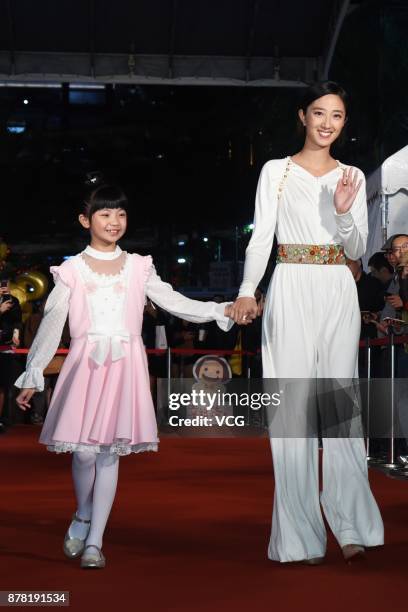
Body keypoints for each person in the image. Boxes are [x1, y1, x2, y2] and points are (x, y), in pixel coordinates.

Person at [15, 178, 237, 569]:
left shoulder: (138, 266)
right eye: (104, 214)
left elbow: (173, 301)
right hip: (86, 364)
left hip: (125, 365)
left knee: (108, 453)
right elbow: (52, 323)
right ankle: (82, 514)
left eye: (120, 213)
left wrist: (220, 310)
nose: (114, 221)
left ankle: (95, 542)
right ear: (85, 220)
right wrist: (33, 371)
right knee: (83, 452)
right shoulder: (72, 270)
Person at [229, 81, 384, 564]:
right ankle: (298, 536)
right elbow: (261, 239)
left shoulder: (353, 176)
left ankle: (352, 525)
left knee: (341, 405)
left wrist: (341, 213)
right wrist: (246, 291)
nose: (327, 123)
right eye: (319, 113)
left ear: (343, 123)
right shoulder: (276, 171)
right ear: (303, 116)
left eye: (336, 116)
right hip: (289, 284)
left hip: (337, 288)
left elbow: (358, 249)